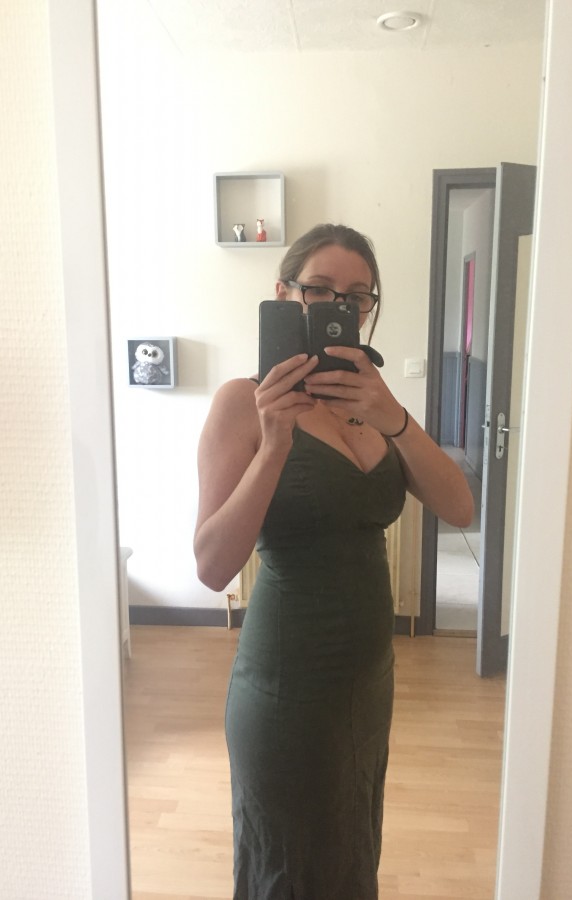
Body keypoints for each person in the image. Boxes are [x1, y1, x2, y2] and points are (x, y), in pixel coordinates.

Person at [194, 223, 473, 900]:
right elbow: (211, 565)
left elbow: (460, 507)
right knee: (287, 868)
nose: (338, 306)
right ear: (284, 295)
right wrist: (274, 443)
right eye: (319, 289)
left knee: (351, 854)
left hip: (368, 684)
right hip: (285, 687)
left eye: (356, 296)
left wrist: (393, 416)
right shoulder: (242, 402)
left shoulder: (374, 404)